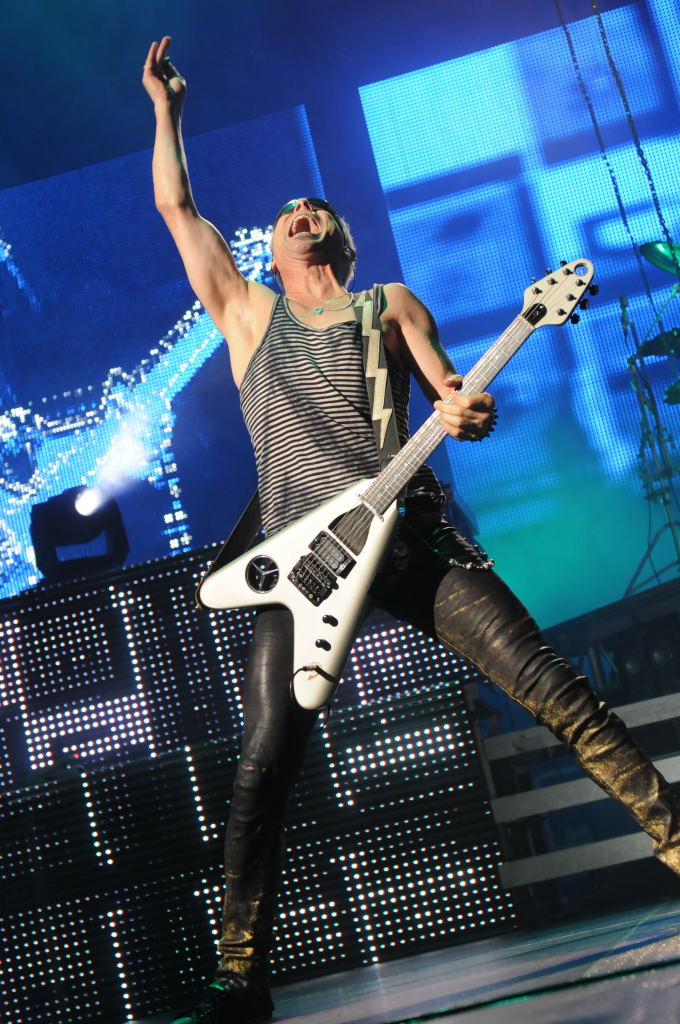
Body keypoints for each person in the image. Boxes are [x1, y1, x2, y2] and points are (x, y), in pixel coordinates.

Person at [142, 36, 680, 1024]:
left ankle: (675, 841)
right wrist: (166, 110)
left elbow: (450, 392)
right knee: (263, 764)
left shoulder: (387, 302)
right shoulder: (247, 314)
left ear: (340, 242)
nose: (300, 212)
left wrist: (469, 411)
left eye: (316, 208)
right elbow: (178, 208)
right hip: (301, 565)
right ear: (271, 249)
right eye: (286, 213)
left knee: (551, 688)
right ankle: (238, 978)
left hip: (412, 535)